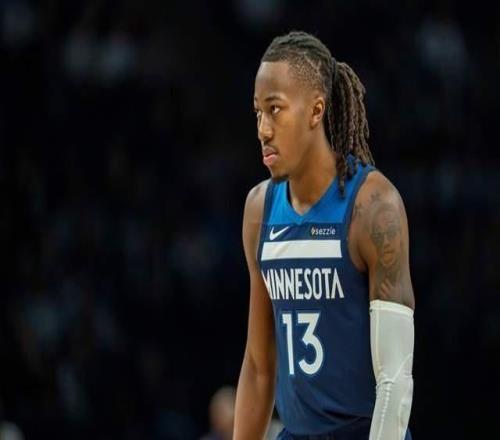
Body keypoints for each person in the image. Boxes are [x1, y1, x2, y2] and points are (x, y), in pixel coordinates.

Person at [233, 31, 415, 440]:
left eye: (275, 109)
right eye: (257, 112)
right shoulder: (259, 209)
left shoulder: (374, 206)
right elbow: (260, 368)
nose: (262, 129)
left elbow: (395, 379)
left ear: (316, 110)